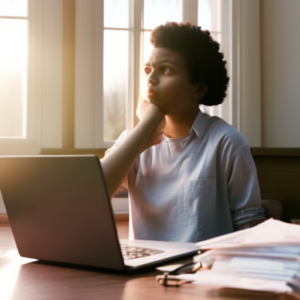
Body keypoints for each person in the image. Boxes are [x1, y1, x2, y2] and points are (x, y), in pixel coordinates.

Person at [101, 22, 265, 243]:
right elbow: (95, 193)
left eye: (166, 69)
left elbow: (250, 229)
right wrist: (145, 127)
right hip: (143, 271)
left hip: (202, 271)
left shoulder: (227, 142)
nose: (150, 78)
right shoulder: (135, 138)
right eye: (148, 69)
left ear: (198, 89)